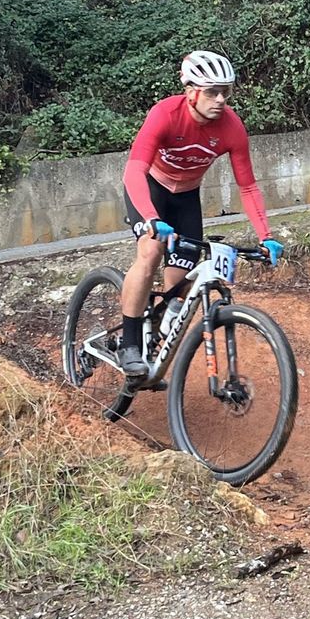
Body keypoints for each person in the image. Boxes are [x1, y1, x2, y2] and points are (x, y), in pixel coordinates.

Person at [118, 50, 283, 378]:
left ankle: (156, 340)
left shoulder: (232, 127)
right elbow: (133, 171)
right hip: (150, 190)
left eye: (226, 91)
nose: (221, 99)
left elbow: (247, 187)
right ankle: (130, 343)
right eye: (212, 92)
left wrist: (266, 235)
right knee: (151, 252)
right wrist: (151, 218)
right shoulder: (165, 114)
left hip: (187, 198)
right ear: (191, 92)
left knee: (178, 285)